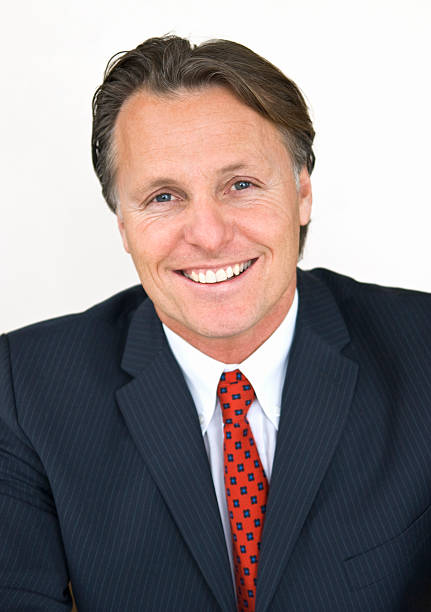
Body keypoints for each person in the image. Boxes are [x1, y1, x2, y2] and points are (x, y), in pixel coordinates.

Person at [1, 35, 430, 612]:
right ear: (123, 224)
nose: (207, 233)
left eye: (241, 185)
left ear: (302, 192)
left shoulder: (422, 351)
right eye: (163, 196)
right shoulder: (23, 391)